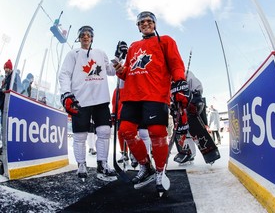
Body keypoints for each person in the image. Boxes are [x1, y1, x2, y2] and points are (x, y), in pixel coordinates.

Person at [113, 11, 190, 192]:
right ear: (138, 26)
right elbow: (127, 73)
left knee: (157, 131)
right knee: (125, 131)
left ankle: (160, 171)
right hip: (132, 95)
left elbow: (176, 63)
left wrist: (180, 82)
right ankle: (145, 165)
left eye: (149, 21)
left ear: (154, 24)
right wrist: (118, 66)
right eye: (142, 22)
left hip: (155, 93)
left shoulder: (165, 41)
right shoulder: (133, 46)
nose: (146, 24)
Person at [58, 25, 117, 181]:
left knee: (104, 132)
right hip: (80, 100)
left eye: (88, 34)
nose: (85, 37)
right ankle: (81, 164)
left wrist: (118, 57)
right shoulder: (73, 54)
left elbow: (111, 70)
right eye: (82, 35)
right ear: (79, 38)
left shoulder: (100, 53)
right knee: (80, 135)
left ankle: (102, 163)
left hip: (101, 99)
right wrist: (66, 94)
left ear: (92, 37)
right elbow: (64, 75)